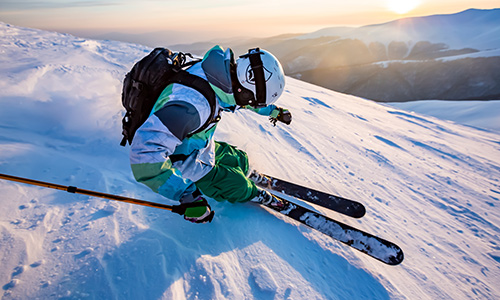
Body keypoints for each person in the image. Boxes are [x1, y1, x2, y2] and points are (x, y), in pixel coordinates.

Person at [129, 46, 292, 223]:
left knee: (239, 158)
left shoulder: (221, 75)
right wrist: (186, 195)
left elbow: (244, 99)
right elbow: (144, 151)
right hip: (183, 162)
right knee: (238, 185)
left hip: (196, 144)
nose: (249, 103)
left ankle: (246, 172)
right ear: (243, 91)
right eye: (252, 99)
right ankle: (253, 193)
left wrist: (273, 111)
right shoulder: (192, 108)